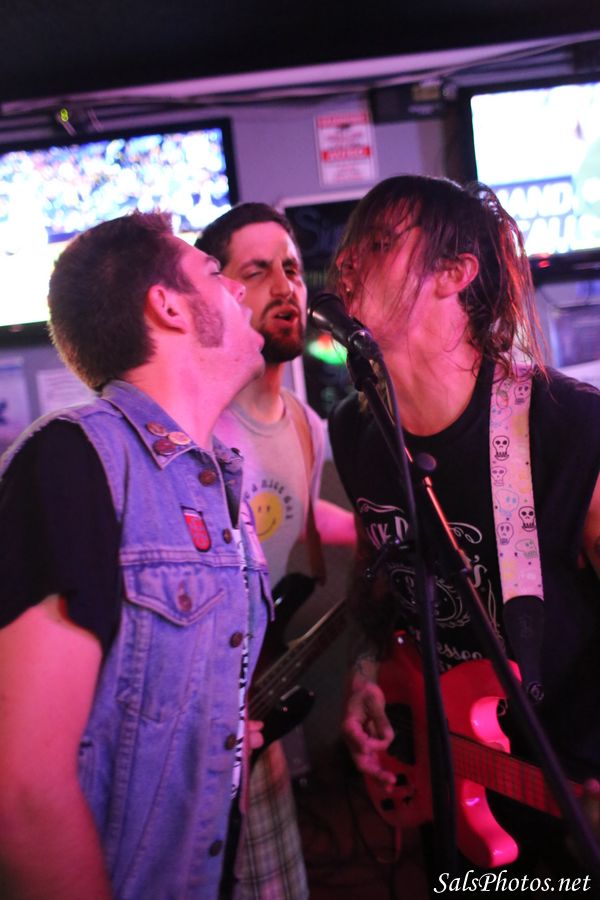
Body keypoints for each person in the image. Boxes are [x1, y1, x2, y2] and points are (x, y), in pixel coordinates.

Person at [326, 175, 600, 884]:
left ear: (456, 273)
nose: (346, 261)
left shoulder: (567, 425)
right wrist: (367, 674)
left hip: (571, 775)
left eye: (377, 242)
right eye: (349, 245)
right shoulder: (355, 430)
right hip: (450, 769)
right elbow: (383, 574)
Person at [0, 211, 271, 899]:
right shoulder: (70, 461)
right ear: (168, 306)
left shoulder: (221, 480)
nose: (239, 288)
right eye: (214, 273)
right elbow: (23, 791)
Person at [196, 203, 355, 899]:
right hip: (200, 727)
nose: (286, 285)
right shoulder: (198, 425)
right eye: (257, 270)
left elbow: (295, 512)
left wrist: (382, 529)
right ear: (215, 292)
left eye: (290, 268)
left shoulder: (306, 424)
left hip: (261, 705)